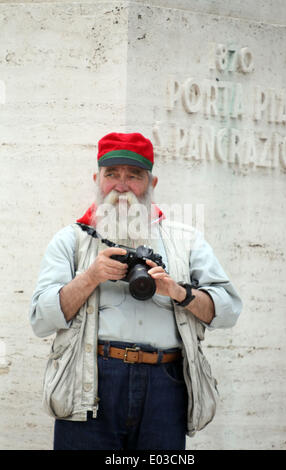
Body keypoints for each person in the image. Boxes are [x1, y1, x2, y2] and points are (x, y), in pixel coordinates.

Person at [29, 131, 242, 450]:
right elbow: (40, 320)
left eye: (134, 176)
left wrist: (176, 290)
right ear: (96, 179)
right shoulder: (72, 240)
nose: (121, 185)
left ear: (152, 184)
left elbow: (228, 310)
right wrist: (91, 277)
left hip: (166, 384)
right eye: (111, 174)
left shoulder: (185, 241)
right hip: (91, 381)